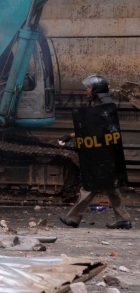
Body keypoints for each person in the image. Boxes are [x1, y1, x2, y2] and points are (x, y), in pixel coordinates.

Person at [58, 74, 131, 229]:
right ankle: (123, 219)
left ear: (96, 90)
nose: (86, 90)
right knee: (110, 186)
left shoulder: (102, 109)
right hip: (104, 155)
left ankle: (73, 218)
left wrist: (70, 136)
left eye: (89, 87)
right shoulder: (103, 107)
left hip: (102, 155)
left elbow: (93, 132)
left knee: (90, 185)